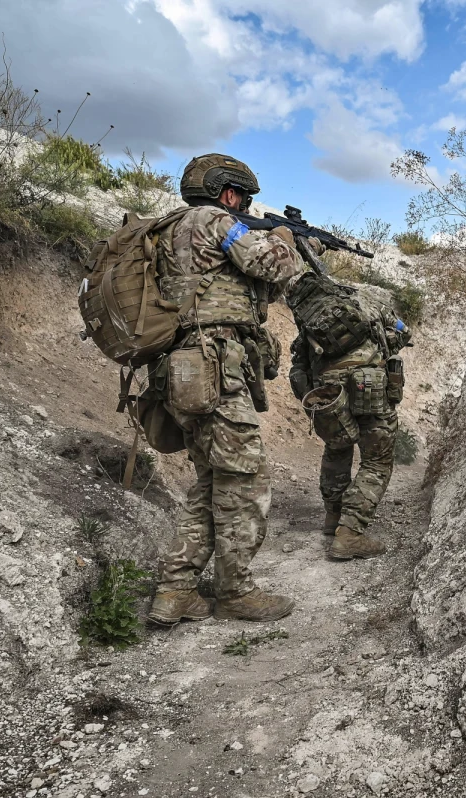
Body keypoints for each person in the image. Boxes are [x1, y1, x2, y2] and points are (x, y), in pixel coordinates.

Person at [146, 153, 305, 625]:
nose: (245, 205)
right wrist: (283, 239)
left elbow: (244, 289)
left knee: (211, 481)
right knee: (246, 478)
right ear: (227, 192)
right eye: (244, 198)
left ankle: (174, 593)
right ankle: (235, 592)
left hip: (180, 371)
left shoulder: (169, 228)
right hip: (214, 366)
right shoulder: (214, 219)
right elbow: (275, 267)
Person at [289, 282, 411, 560]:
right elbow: (403, 333)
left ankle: (333, 518)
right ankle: (351, 532)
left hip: (328, 390)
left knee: (337, 448)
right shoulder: (368, 301)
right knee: (376, 460)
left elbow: (300, 359)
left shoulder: (309, 319)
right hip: (371, 387)